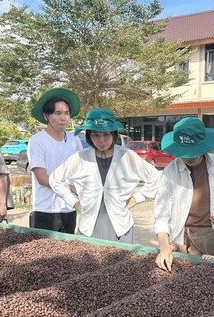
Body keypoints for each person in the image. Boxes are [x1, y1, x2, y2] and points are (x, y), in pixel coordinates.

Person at [49, 108, 160, 242]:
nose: (101, 140)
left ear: (114, 134)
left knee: (121, 262)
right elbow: (54, 180)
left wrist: (137, 198)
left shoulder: (127, 156)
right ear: (89, 135)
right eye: (95, 135)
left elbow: (155, 178)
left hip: (120, 226)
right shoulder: (80, 157)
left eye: (106, 134)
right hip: (89, 227)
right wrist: (74, 203)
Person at [154, 117, 214, 271]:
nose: (189, 157)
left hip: (211, 239)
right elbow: (161, 214)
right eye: (184, 153)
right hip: (182, 241)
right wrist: (165, 247)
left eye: (193, 152)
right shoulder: (170, 172)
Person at [27, 88, 83, 232]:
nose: (63, 118)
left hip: (69, 209)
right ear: (46, 116)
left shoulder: (74, 139)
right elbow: (42, 178)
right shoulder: (37, 141)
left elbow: (82, 171)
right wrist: (71, 188)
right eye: (57, 113)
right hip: (46, 211)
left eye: (66, 113)